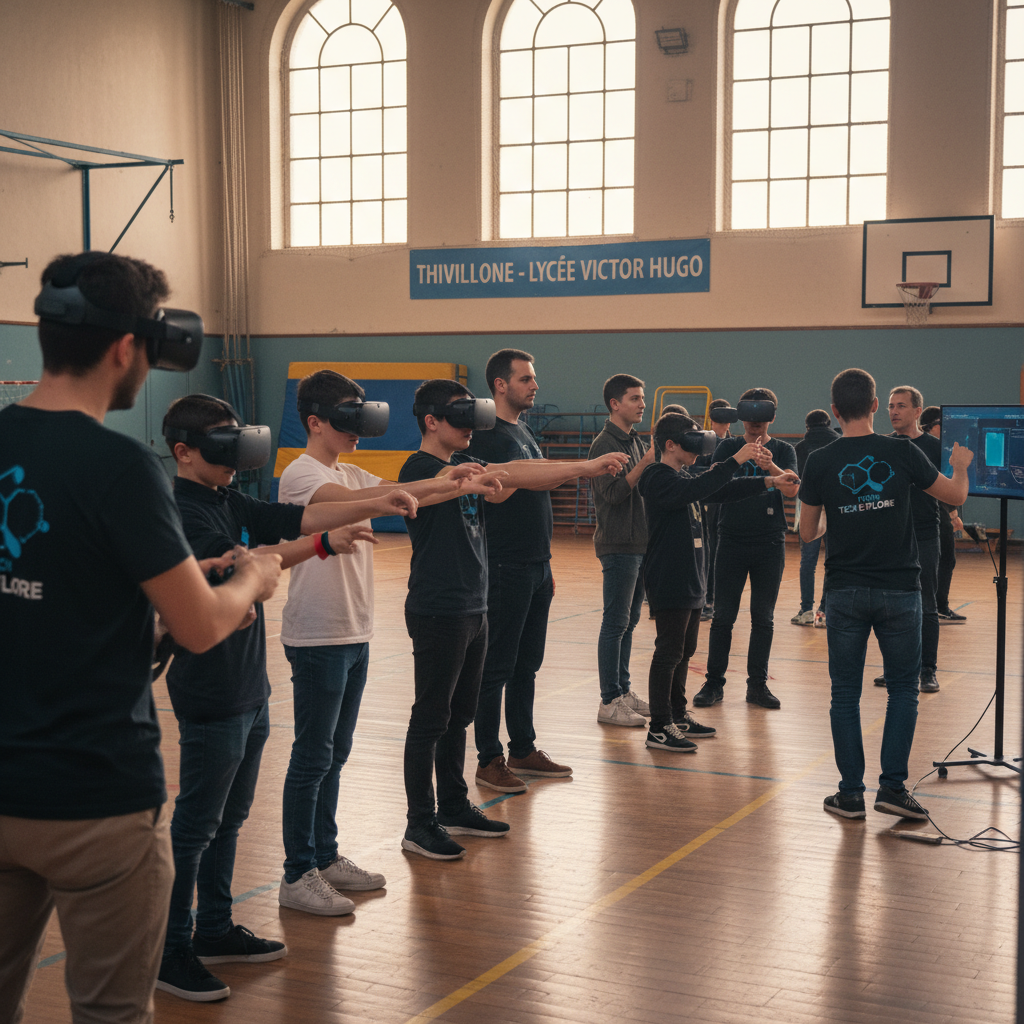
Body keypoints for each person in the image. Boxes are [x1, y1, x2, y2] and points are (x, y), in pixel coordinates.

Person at [0, 252, 283, 1024]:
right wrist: (250, 580)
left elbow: (55, 590)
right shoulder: (121, 466)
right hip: (92, 795)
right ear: (127, 348)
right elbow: (199, 627)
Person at [158, 394, 417, 1001]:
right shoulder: (183, 513)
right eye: (220, 443)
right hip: (209, 693)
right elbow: (233, 577)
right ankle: (170, 950)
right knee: (196, 826)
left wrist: (345, 529)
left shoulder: (225, 500)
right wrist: (256, 568)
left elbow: (289, 527)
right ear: (183, 452)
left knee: (230, 821)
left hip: (249, 686)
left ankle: (214, 928)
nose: (235, 456)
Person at [277, 370, 492, 915]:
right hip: (318, 633)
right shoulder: (300, 475)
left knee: (336, 752)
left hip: (355, 630)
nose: (356, 433)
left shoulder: (348, 469)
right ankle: (297, 870)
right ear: (314, 422)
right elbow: (375, 499)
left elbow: (386, 491)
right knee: (311, 756)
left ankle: (324, 856)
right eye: (346, 421)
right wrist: (432, 486)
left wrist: (452, 481)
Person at [399, 379, 626, 858]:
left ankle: (454, 806)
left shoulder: (465, 465)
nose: (468, 428)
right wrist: (467, 480)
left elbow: (518, 474)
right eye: (456, 418)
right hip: (438, 608)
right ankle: (419, 822)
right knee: (430, 719)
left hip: (473, 605)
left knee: (459, 715)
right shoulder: (420, 467)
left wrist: (583, 467)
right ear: (431, 421)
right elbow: (429, 491)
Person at [799, 368, 972, 821]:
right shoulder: (903, 451)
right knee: (902, 691)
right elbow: (953, 494)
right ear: (876, 406)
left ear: (835, 411)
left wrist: (837, 511)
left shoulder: (819, 460)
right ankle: (892, 789)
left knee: (844, 695)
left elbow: (806, 533)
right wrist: (960, 466)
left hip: (845, 592)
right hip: (899, 590)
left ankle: (851, 795)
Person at [468, 349, 626, 793]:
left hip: (536, 566)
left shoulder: (523, 431)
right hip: (504, 564)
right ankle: (488, 758)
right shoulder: (486, 436)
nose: (534, 385)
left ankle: (522, 747)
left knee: (527, 664)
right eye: (525, 379)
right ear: (500, 384)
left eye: (533, 378)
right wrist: (584, 466)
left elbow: (540, 480)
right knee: (496, 665)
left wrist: (546, 565)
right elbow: (511, 480)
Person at [638, 414, 794, 751]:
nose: (698, 451)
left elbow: (719, 488)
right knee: (668, 652)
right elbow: (699, 487)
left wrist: (769, 483)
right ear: (670, 445)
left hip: (692, 575)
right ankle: (659, 727)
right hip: (670, 576)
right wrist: (736, 459)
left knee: (685, 651)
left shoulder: (684, 476)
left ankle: (678, 715)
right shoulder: (656, 478)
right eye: (691, 442)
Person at [693, 388, 798, 710]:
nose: (754, 424)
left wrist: (771, 468)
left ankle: (757, 686)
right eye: (749, 418)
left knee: (762, 618)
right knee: (723, 617)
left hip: (769, 541)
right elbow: (714, 484)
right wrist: (739, 459)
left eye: (761, 418)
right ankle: (714, 683)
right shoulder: (728, 446)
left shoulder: (782, 449)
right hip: (732, 538)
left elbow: (794, 489)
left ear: (772, 417)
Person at [590, 374, 656, 727]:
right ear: (615, 404)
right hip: (617, 544)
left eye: (642, 398)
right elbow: (612, 494)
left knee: (629, 622)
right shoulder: (605, 444)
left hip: (638, 543)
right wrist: (644, 463)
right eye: (634, 398)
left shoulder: (634, 441)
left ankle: (623, 690)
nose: (641, 404)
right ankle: (608, 700)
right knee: (615, 623)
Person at [873, 387, 942, 692]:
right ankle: (896, 669)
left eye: (901, 406)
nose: (894, 411)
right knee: (892, 607)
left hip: (925, 534)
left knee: (926, 606)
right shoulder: (883, 446)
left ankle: (927, 670)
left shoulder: (934, 447)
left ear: (917, 411)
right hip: (891, 535)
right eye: (890, 406)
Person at [791, 410, 839, 627]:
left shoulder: (800, 448)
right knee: (833, 561)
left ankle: (806, 610)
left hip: (809, 507)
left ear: (807, 426)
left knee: (807, 562)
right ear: (829, 424)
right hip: (837, 508)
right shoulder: (839, 442)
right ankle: (825, 611)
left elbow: (796, 480)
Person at [921, 405, 966, 622]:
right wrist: (952, 513)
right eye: (942, 425)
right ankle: (937, 606)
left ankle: (937, 604)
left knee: (943, 559)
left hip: (940, 510)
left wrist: (954, 513)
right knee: (943, 558)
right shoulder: (931, 448)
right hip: (932, 512)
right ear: (931, 426)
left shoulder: (935, 448)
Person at [700, 397, 735, 622]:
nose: (726, 424)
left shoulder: (734, 443)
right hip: (711, 503)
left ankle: (721, 598)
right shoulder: (704, 441)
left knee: (726, 549)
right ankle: (708, 599)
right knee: (709, 548)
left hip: (730, 501)